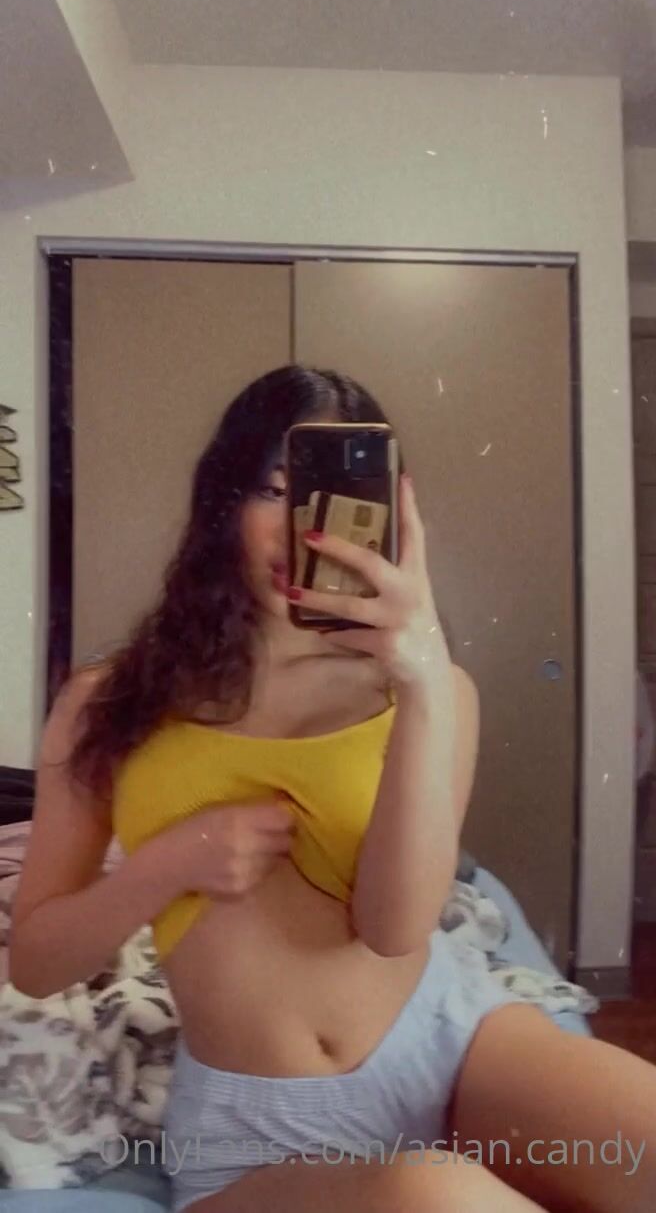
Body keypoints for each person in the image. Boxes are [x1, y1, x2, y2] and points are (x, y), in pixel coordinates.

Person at [10, 367, 655, 1213]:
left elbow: (394, 928)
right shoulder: (111, 701)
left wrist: (421, 676)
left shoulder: (431, 691)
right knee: (444, 1197)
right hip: (258, 1125)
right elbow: (35, 964)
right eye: (275, 490)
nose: (303, 527)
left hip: (451, 1040)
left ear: (390, 517)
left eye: (335, 498)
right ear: (223, 502)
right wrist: (164, 868)